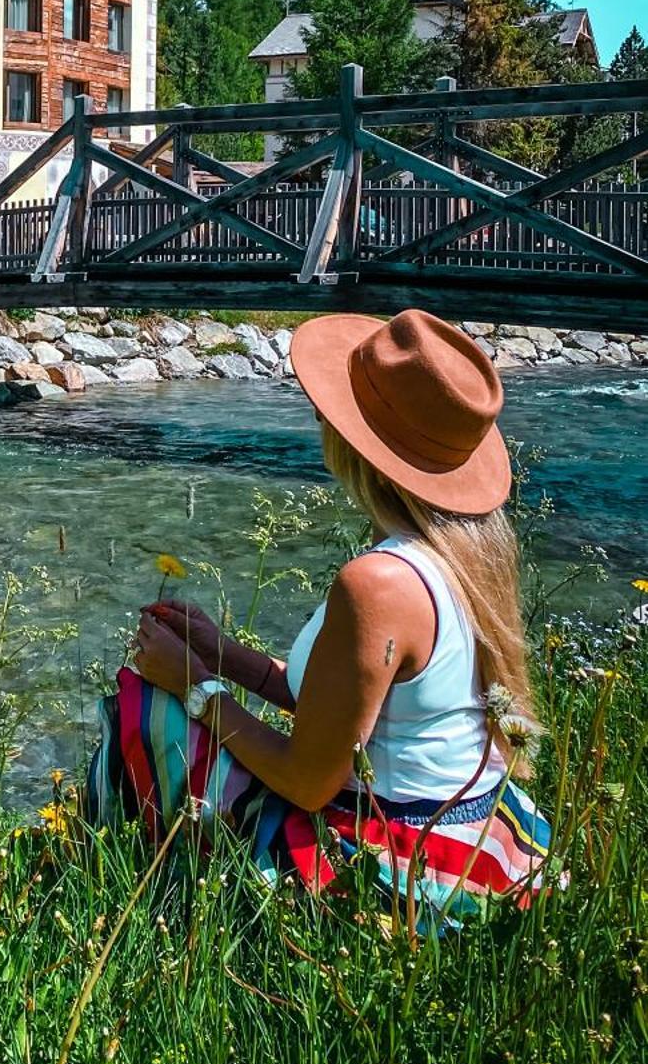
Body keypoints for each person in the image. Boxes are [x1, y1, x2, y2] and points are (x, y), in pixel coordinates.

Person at [85, 309, 552, 923]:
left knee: (141, 707)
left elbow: (311, 782)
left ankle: (115, 895)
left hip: (390, 857)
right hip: (470, 832)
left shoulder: (378, 582)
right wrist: (225, 655)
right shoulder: (470, 555)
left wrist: (194, 688)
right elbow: (356, 710)